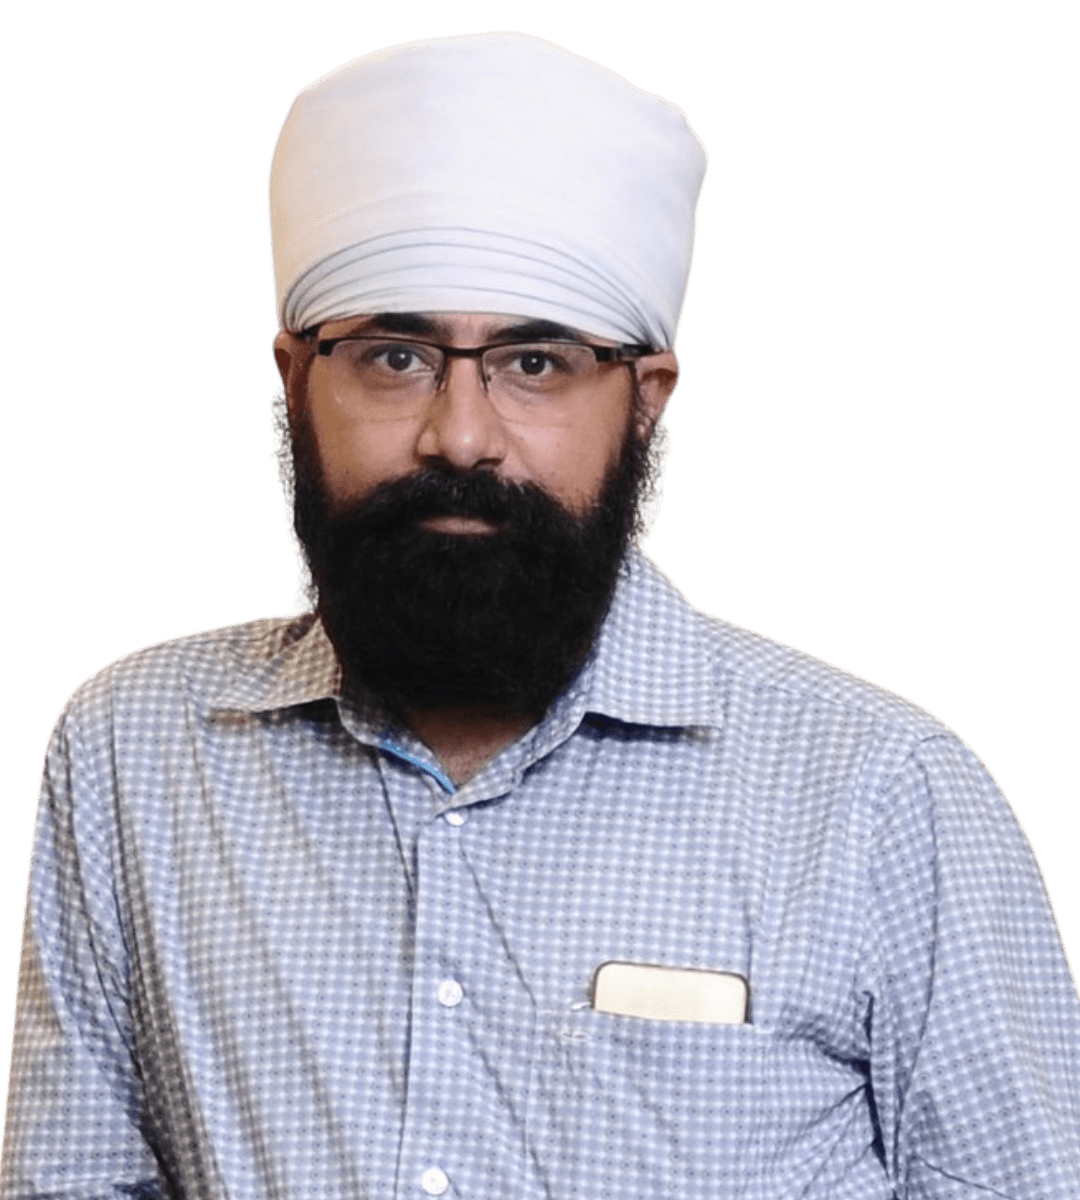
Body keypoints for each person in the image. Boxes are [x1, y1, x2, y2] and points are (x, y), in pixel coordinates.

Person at [2, 30, 1077, 1200]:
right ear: (297, 382)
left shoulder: (883, 792)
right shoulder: (135, 750)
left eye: (536, 364)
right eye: (395, 356)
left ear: (645, 400)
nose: (460, 436)